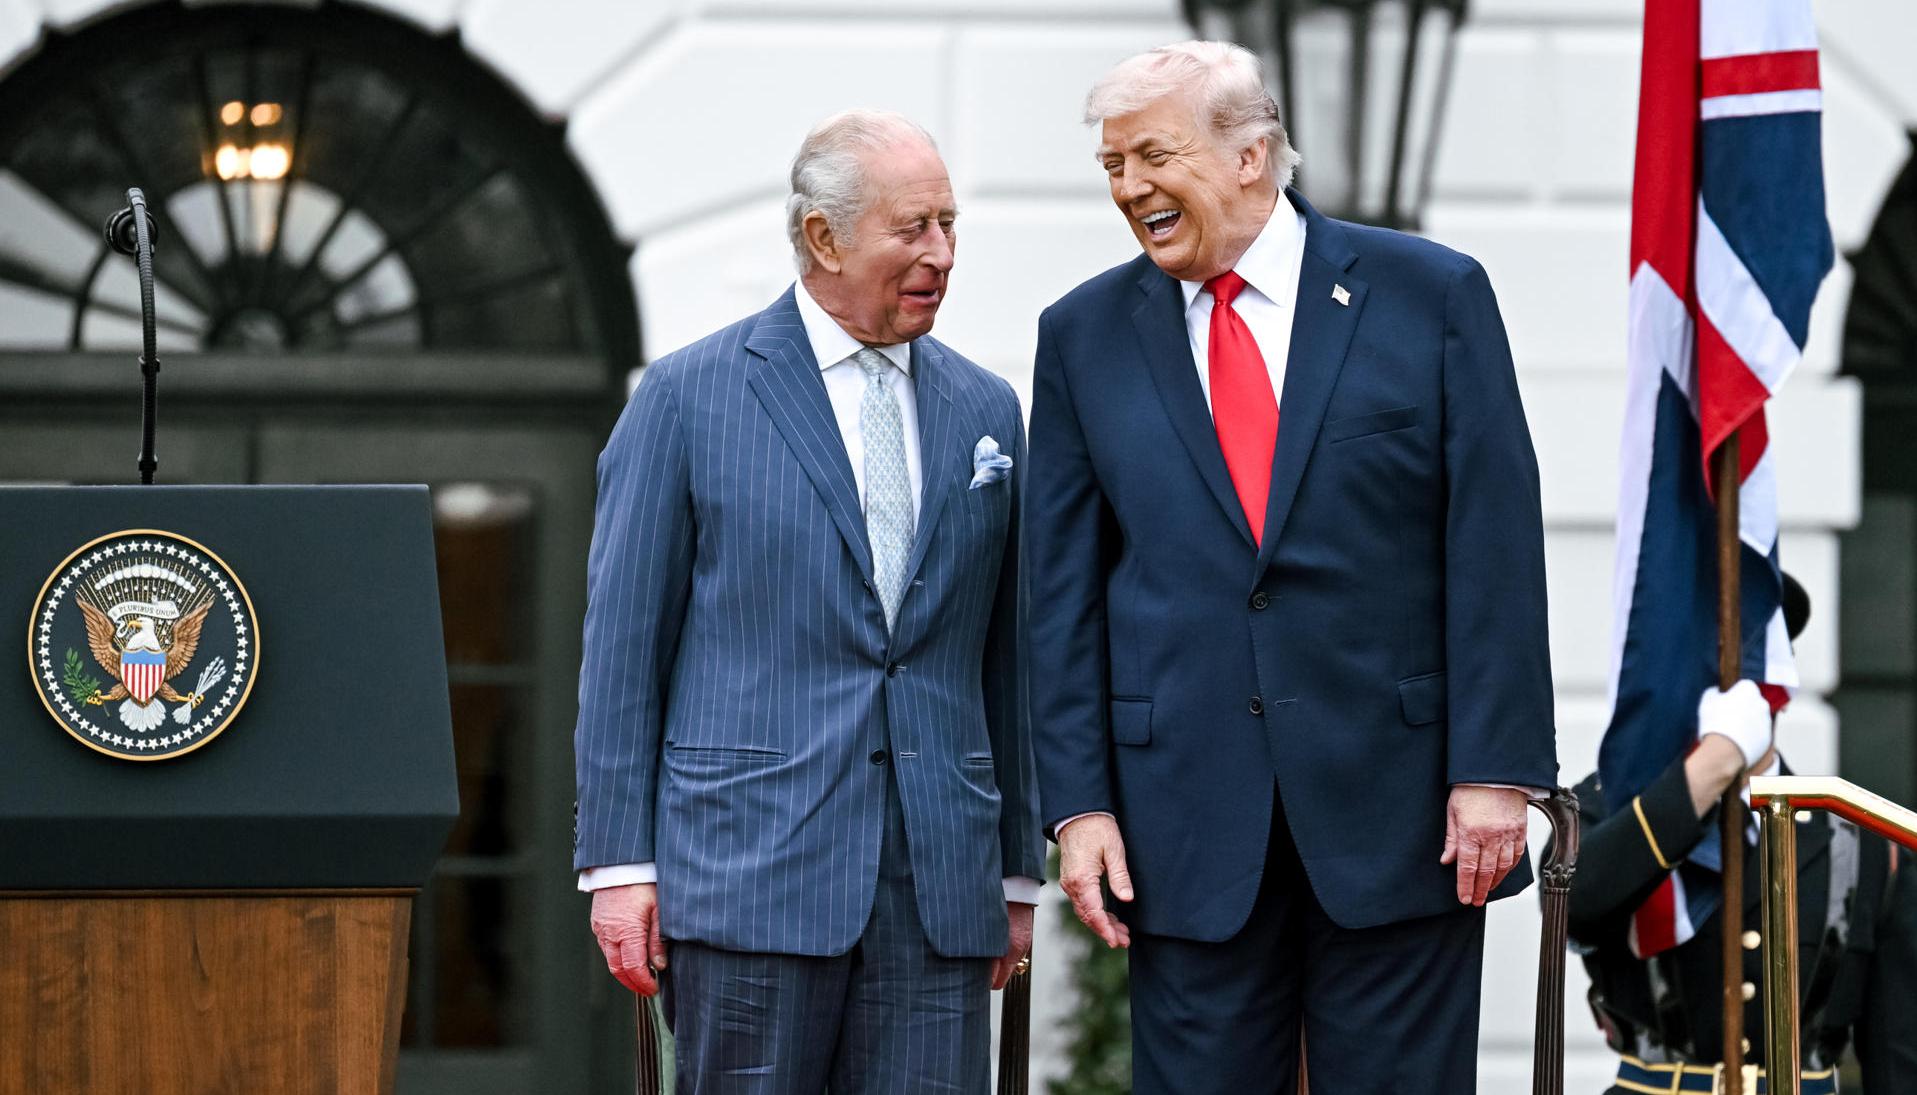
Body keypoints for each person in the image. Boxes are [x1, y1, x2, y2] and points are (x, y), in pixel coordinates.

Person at [1024, 40, 1557, 1093]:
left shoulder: (1432, 295)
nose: (1130, 188)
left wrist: (1494, 772)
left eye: (1152, 156)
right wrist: (1078, 807)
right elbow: (1063, 594)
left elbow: (1494, 542)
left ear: (1251, 156)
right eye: (1112, 166)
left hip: (1403, 819)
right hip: (1182, 827)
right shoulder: (1083, 334)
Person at [572, 109, 1044, 1093]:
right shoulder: (687, 398)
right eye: (913, 228)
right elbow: (623, 648)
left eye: (950, 226)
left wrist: (1010, 870)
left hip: (938, 891)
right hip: (749, 878)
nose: (942, 254)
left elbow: (1006, 653)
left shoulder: (988, 409)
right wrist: (620, 869)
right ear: (823, 237)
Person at [1568, 577, 1917, 1093]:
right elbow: (1573, 905)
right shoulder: (1606, 807)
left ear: (1781, 684)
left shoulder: (1865, 842)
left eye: (1751, 667)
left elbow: (1896, 1059)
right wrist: (1711, 766)